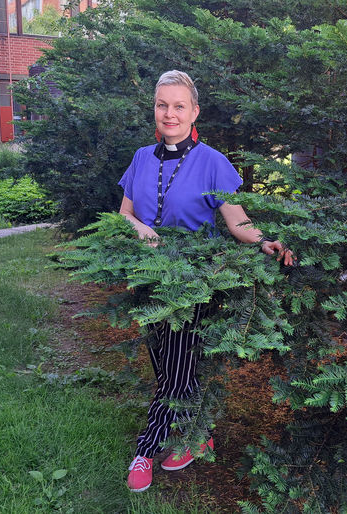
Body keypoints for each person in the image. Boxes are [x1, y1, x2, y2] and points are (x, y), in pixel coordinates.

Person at [118, 70, 293, 493]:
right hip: (148, 282)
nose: (170, 113)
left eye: (179, 105)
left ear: (194, 111)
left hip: (194, 284)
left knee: (175, 375)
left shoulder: (213, 161)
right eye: (162, 105)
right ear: (154, 111)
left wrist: (265, 241)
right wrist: (145, 233)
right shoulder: (141, 157)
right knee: (168, 366)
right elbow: (124, 214)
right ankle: (199, 435)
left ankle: (146, 448)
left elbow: (237, 221)